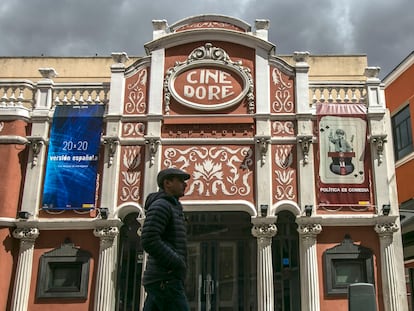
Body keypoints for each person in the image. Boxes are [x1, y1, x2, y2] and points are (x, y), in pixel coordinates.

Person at [141, 168, 191, 311]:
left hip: (163, 278)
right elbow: (149, 239)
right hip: (165, 278)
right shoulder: (161, 205)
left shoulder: (172, 206)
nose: (185, 184)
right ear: (167, 183)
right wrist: (176, 262)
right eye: (180, 181)